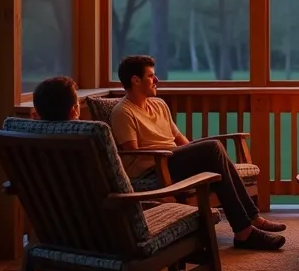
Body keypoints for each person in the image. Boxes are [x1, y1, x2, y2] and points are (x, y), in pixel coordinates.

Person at [108, 55, 287, 251]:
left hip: (173, 159)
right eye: (151, 76)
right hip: (154, 169)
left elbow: (181, 140)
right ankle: (248, 228)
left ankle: (248, 225)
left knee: (214, 150)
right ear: (135, 80)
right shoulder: (123, 112)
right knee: (212, 148)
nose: (157, 80)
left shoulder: (158, 105)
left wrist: (194, 152)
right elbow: (132, 152)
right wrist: (178, 152)